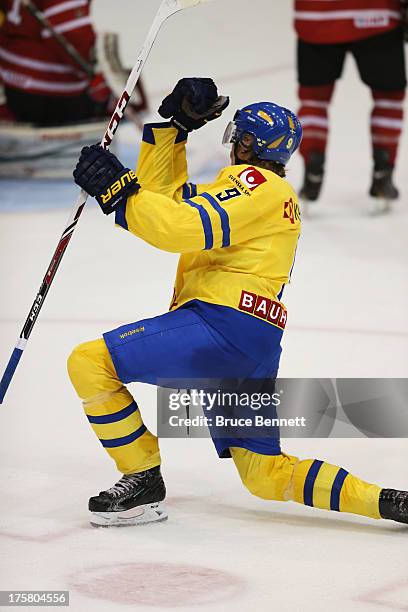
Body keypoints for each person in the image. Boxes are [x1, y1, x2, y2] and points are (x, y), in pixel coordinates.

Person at [69, 77, 408, 528]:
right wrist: (175, 130)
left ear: (246, 146)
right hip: (253, 343)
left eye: (237, 138)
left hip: (219, 328)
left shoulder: (257, 187)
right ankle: (385, 501)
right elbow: (165, 203)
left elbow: (176, 227)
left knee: (89, 363)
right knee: (264, 474)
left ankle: (141, 476)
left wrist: (117, 190)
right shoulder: (259, 195)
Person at [295, 0, 407, 203]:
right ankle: (383, 171)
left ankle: (313, 167)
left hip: (315, 19)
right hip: (376, 17)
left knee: (313, 98)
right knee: (388, 97)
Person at [0, 0, 146, 125]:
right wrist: (100, 74)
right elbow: (71, 35)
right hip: (47, 95)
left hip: (10, 84)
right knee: (114, 91)